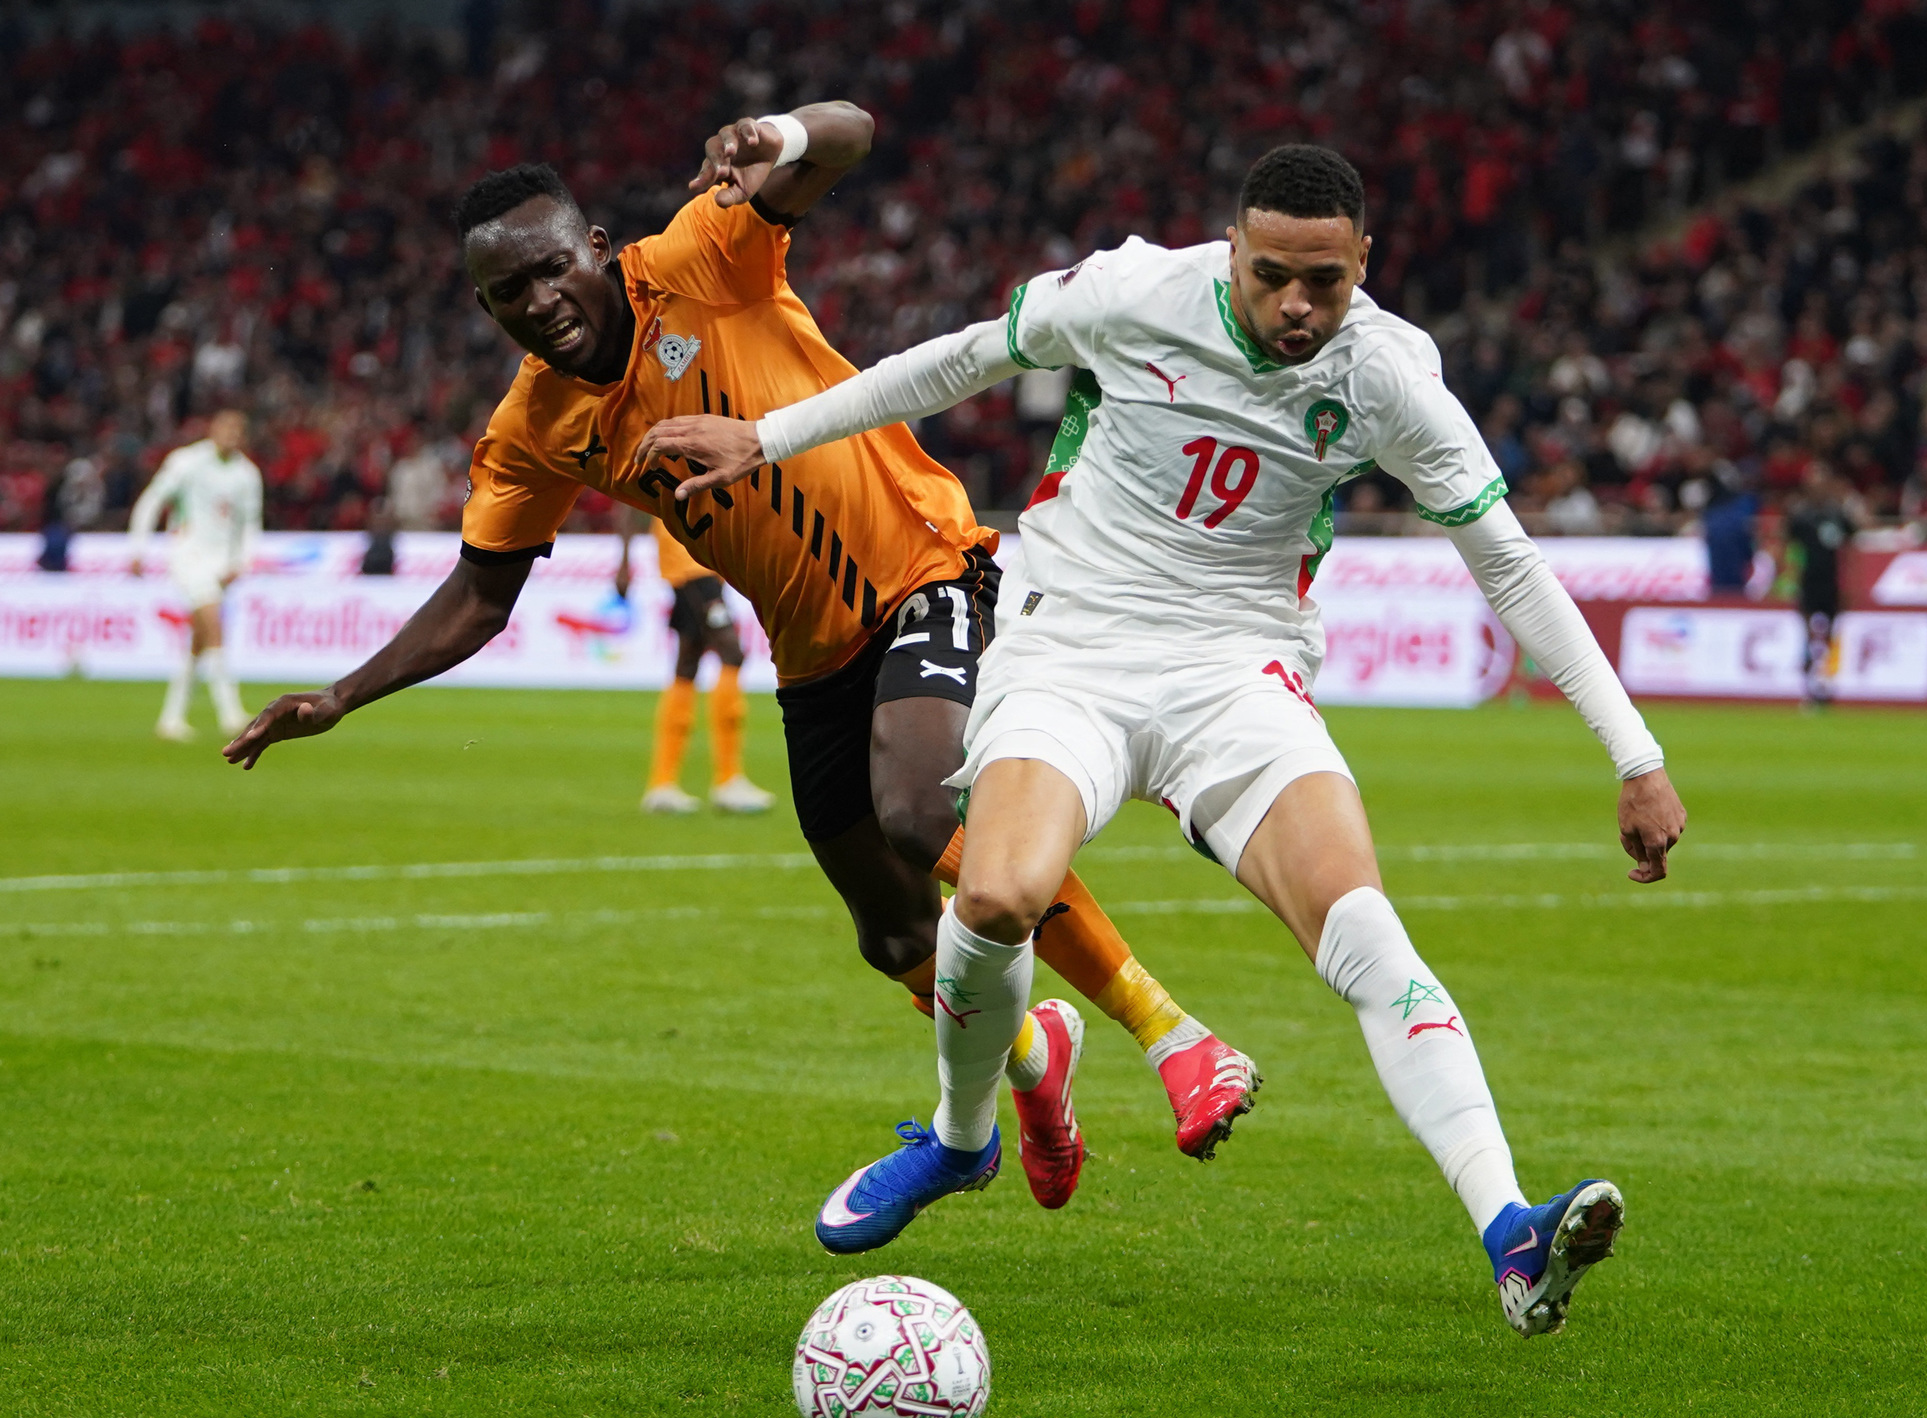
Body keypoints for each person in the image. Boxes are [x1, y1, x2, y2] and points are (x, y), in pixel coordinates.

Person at [648, 145, 1690, 1336]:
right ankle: (961, 1139)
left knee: (1360, 924)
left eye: (1323, 282)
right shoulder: (1133, 291)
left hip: (1235, 674)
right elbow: (961, 361)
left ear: (1362, 263)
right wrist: (768, 436)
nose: (1294, 306)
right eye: (1269, 275)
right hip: (1070, 646)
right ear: (1231, 249)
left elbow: (1506, 562)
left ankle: (1509, 1232)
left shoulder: (1389, 373)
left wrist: (1633, 755)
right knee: (993, 897)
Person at [222, 104, 1261, 1208]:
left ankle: (1176, 1037)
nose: (538, 302)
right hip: (810, 655)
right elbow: (482, 594)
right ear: (485, 307)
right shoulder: (534, 428)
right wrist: (341, 695)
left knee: (921, 810)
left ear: (594, 250)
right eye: (506, 292)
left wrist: (783, 135)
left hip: (925, 568)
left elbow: (854, 133)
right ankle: (1032, 1063)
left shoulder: (700, 259)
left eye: (549, 269)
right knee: (891, 930)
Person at [616, 512, 773, 813]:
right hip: (688, 560)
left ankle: (662, 785)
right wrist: (623, 564)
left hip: (702, 561)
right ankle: (728, 779)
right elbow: (625, 509)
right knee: (731, 652)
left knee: (687, 665)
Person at [128, 409, 262, 740]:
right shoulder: (187, 462)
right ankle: (230, 713)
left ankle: (171, 718)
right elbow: (152, 501)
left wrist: (241, 562)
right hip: (188, 556)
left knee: (199, 639)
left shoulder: (247, 474)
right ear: (212, 429)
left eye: (237, 431)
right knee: (214, 625)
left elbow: (249, 523)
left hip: (221, 565)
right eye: (225, 428)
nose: (231, 435)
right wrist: (138, 547)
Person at [1785, 461, 1863, 706]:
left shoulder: (1838, 515)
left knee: (1831, 637)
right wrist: (1789, 581)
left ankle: (1826, 686)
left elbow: (1850, 551)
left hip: (1832, 583)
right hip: (1808, 582)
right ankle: (1808, 688)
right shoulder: (1801, 516)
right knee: (1808, 636)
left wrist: (1850, 584)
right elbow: (1791, 551)